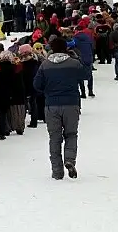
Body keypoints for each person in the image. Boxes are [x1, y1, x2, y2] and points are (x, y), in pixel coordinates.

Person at [33, 38, 85, 180]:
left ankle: (57, 171)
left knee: (54, 138)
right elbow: (84, 76)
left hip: (51, 105)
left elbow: (37, 84)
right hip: (71, 104)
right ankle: (69, 159)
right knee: (71, 134)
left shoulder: (45, 65)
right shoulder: (74, 63)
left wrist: (47, 91)